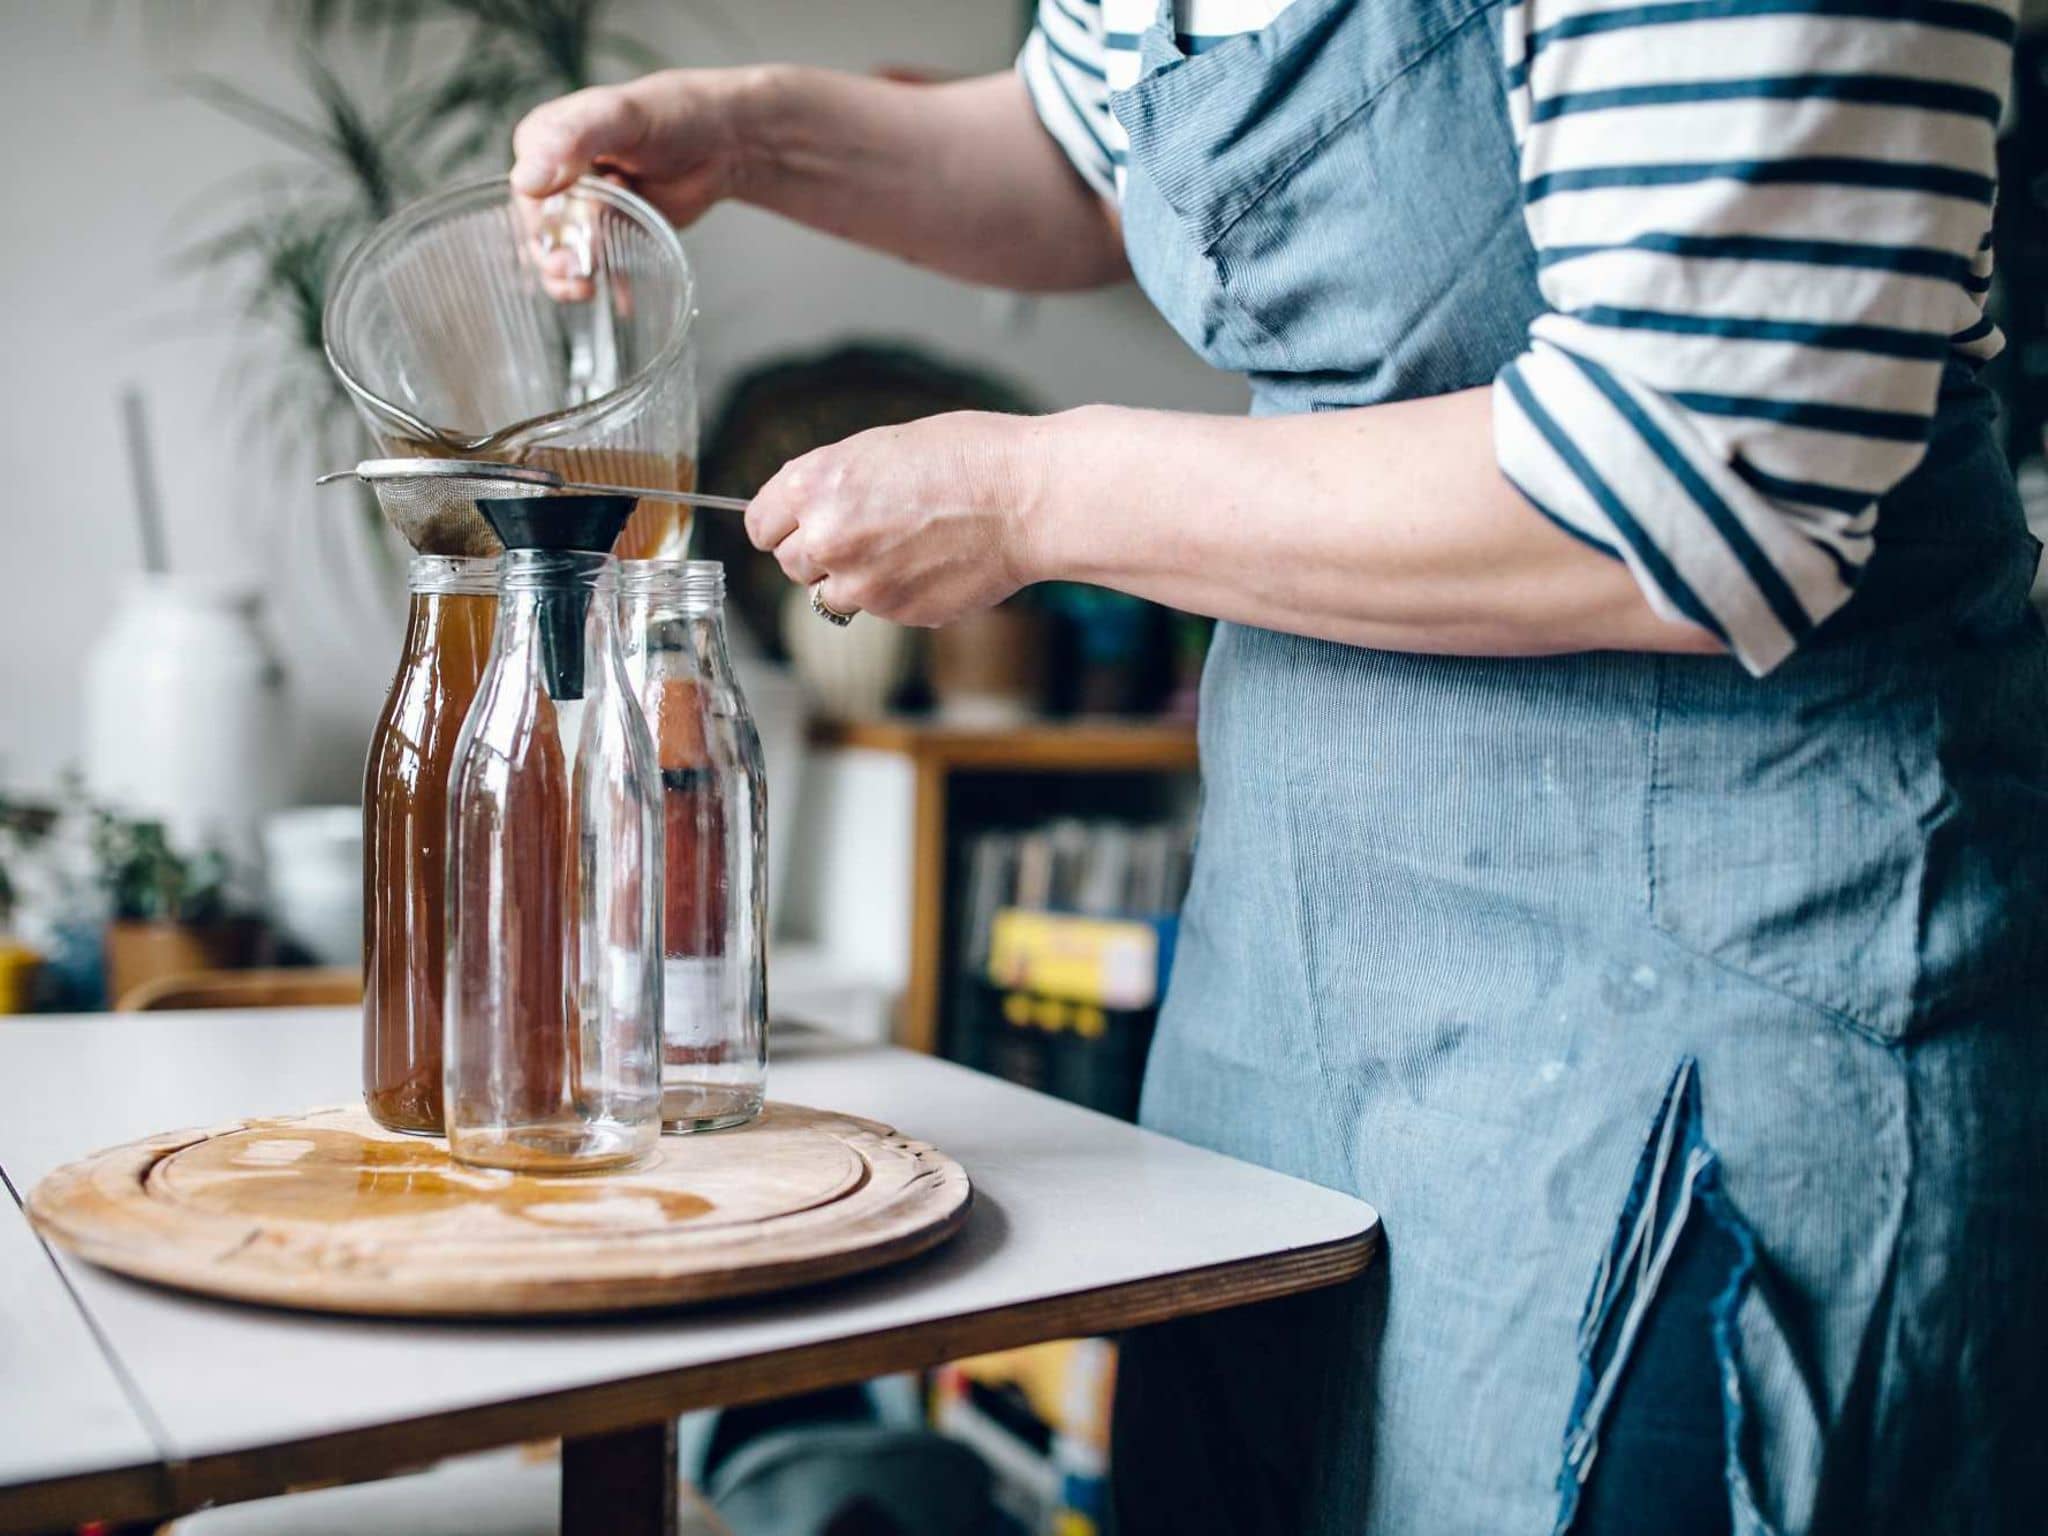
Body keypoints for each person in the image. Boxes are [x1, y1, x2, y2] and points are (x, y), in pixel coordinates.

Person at [511, 0, 2047, 1528]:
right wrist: (753, 135)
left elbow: (1709, 474)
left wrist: (1036, 498)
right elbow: (1084, 149)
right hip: (1296, 990)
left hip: (1707, 995)